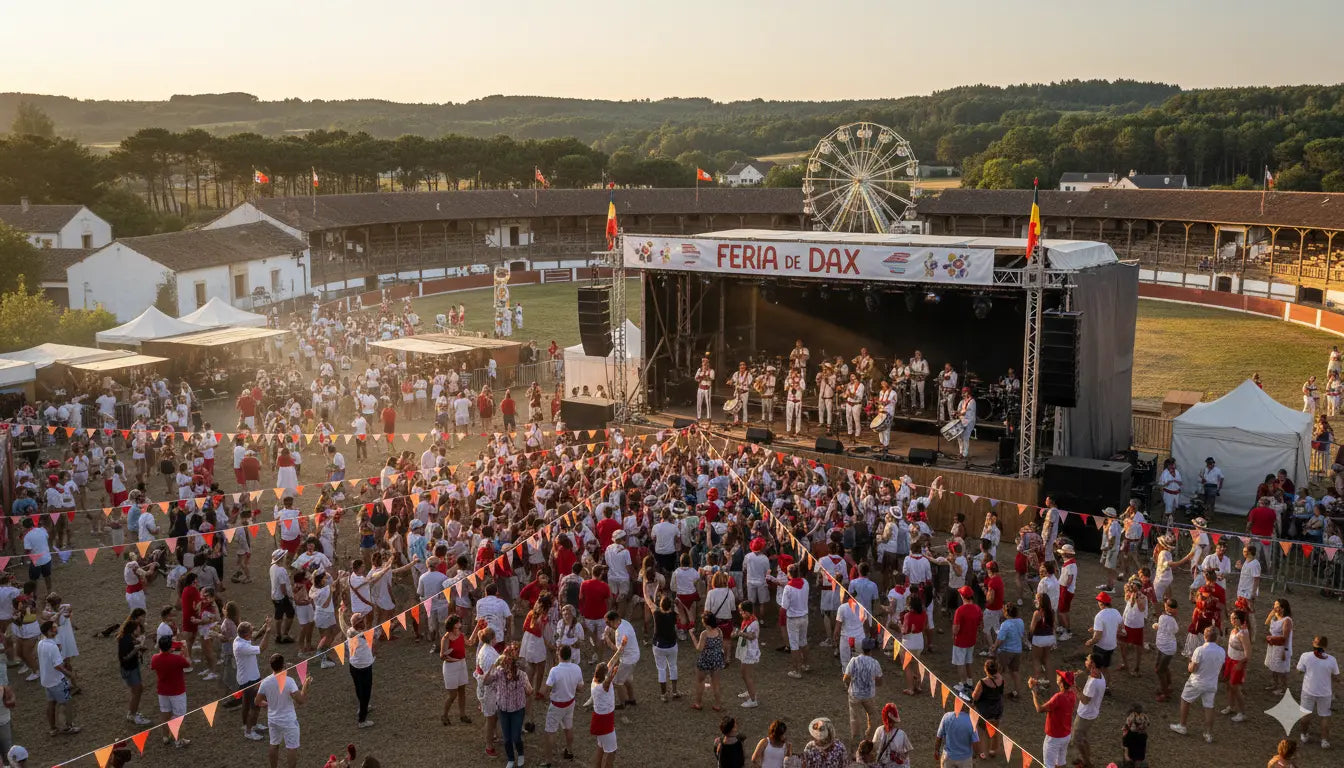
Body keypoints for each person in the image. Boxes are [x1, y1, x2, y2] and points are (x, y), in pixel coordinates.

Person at [1170, 626, 1227, 743]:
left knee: (1185, 700)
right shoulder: (1221, 651)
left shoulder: (1200, 650)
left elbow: (1192, 669)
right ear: (1216, 637)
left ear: (1205, 637)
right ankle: (1208, 733)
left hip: (1196, 682)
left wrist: (1189, 664)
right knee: (1209, 707)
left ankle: (1182, 725)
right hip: (1211, 683)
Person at [254, 653, 311, 768]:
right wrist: (306, 685)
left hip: (273, 719)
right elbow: (301, 700)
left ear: (271, 666)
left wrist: (267, 704)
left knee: (274, 745)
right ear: (283, 665)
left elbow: (257, 701)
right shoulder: (289, 681)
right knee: (291, 748)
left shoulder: (265, 682)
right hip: (289, 720)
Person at [485, 643, 532, 768]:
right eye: (504, 661)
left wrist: (525, 691)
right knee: (507, 739)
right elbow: (486, 682)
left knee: (516, 737)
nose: (505, 664)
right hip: (503, 709)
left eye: (508, 662)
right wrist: (492, 667)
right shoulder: (499, 672)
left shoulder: (521, 675)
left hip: (517, 709)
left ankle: (520, 754)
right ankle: (510, 759)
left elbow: (530, 691)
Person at [541, 644, 584, 766]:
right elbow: (581, 688)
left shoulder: (554, 671)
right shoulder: (576, 668)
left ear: (559, 655)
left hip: (557, 705)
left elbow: (545, 690)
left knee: (550, 732)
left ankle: (549, 760)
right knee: (568, 727)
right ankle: (569, 751)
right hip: (570, 703)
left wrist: (544, 696)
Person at [37, 620, 79, 737]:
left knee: (51, 704)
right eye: (54, 628)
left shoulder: (41, 643)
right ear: (49, 631)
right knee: (66, 703)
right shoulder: (53, 647)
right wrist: (69, 674)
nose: (56, 629)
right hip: (57, 681)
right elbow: (58, 666)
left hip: (46, 680)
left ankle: (53, 728)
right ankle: (67, 727)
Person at [1296, 635, 1339, 749]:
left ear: (1314, 644)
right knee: (1325, 716)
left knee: (1306, 714)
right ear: (1326, 646)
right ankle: (1324, 741)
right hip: (1325, 692)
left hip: (1308, 690)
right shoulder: (1332, 660)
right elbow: (1336, 676)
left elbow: (1299, 671)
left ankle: (1304, 735)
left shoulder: (1305, 656)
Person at [233, 618, 273, 741]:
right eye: (251, 631)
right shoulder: (242, 646)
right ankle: (249, 731)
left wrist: (264, 627)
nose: (253, 632)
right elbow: (262, 648)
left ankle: (250, 725)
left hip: (246, 678)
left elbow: (254, 637)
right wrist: (268, 632)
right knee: (255, 706)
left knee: (246, 704)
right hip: (250, 680)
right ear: (246, 634)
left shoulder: (239, 639)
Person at [149, 634, 191, 748]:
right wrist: (186, 651)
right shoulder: (177, 659)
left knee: (165, 712)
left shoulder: (155, 658)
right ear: (170, 647)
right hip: (177, 691)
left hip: (162, 691)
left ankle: (165, 736)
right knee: (179, 716)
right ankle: (178, 740)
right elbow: (188, 663)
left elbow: (153, 666)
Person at [1031, 669, 1077, 768]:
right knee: (1061, 762)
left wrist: (1033, 693)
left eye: (1059, 676)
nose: (1057, 676)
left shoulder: (1058, 697)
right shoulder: (1072, 694)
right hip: (1066, 735)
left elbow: (1039, 709)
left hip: (1054, 737)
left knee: (1048, 765)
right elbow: (1051, 705)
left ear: (1061, 682)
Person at [843, 636, 882, 745]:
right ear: (871, 650)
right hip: (869, 695)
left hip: (855, 694)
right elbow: (880, 682)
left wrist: (849, 686)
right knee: (873, 716)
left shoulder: (854, 661)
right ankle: (869, 736)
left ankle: (856, 740)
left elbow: (846, 678)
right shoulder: (875, 663)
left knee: (855, 718)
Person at [1072, 652, 1106, 768]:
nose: (1085, 661)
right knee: (1083, 737)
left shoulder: (1093, 682)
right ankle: (1086, 758)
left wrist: (1073, 687)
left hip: (1085, 715)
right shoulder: (1099, 675)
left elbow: (1085, 700)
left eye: (1087, 660)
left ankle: (1087, 763)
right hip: (1092, 713)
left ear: (1093, 664)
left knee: (1077, 739)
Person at [590, 648, 622, 768]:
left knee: (601, 747)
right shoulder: (603, 686)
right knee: (611, 751)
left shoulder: (595, 681)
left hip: (599, 719)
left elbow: (612, 661)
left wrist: (621, 648)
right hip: (605, 722)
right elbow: (608, 682)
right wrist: (613, 673)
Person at [690, 610, 725, 711]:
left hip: (705, 659)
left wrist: (692, 635)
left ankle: (698, 703)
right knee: (716, 684)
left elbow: (699, 648)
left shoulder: (704, 634)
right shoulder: (719, 631)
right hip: (717, 659)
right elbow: (721, 643)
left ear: (706, 623)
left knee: (700, 681)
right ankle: (718, 705)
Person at [950, 585, 981, 694]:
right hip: (971, 639)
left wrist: (953, 634)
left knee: (960, 663)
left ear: (962, 596)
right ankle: (970, 681)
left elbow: (956, 628)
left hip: (960, 641)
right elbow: (979, 624)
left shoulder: (960, 610)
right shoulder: (977, 608)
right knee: (968, 661)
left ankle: (963, 684)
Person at [970, 660, 1004, 758]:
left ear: (985, 669)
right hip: (997, 709)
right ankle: (993, 750)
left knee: (982, 732)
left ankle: (983, 752)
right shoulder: (1001, 679)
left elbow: (975, 696)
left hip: (985, 711)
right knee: (995, 731)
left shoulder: (983, 682)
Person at [1121, 702, 1149, 768]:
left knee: (1127, 749)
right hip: (1141, 738)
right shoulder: (1144, 718)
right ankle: (1137, 765)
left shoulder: (1131, 717)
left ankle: (1128, 759)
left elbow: (1126, 744)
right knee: (1139, 756)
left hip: (1131, 738)